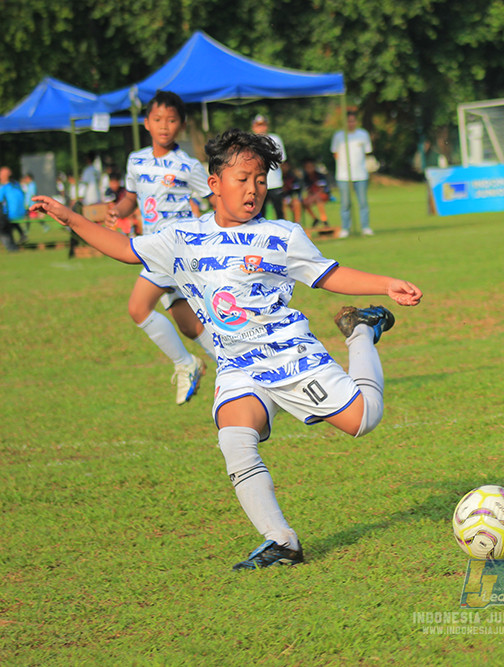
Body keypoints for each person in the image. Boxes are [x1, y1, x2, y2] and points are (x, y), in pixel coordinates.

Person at [31, 128, 423, 570]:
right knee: (234, 438)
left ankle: (360, 331)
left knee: (363, 420)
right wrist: (70, 218)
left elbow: (328, 274)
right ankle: (281, 541)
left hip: (289, 356)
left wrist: (386, 285)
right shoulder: (182, 237)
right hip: (238, 365)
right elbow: (124, 249)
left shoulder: (281, 235)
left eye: (260, 180)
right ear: (215, 184)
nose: (253, 189)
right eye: (243, 179)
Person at [105, 90, 215, 405]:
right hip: (152, 246)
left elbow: (214, 199)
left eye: (171, 120)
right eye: (157, 119)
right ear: (146, 123)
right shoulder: (135, 160)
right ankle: (235, 367)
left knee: (138, 308)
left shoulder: (189, 166)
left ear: (181, 125)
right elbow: (129, 198)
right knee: (189, 324)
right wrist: (118, 210)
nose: (164, 126)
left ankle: (186, 364)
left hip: (175, 249)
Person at [331, 110, 374, 237]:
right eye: (348, 121)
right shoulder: (339, 136)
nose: (351, 123)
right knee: (345, 203)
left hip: (360, 174)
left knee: (363, 202)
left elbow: (367, 152)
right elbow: (335, 153)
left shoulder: (363, 134)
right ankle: (345, 228)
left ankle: (365, 227)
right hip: (343, 175)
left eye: (353, 121)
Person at [251, 114, 287, 220]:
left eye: (263, 125)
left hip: (275, 182)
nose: (261, 128)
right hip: (258, 183)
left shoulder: (275, 139)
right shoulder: (250, 141)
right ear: (253, 127)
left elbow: (281, 160)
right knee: (260, 213)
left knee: (279, 211)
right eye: (258, 125)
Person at [0, 166, 27, 250]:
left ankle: (12, 248)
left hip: (10, 215)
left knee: (2, 227)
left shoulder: (4, 188)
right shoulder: (17, 185)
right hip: (22, 213)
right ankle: (22, 235)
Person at [301, 159, 331, 227]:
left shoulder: (320, 176)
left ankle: (324, 220)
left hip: (323, 195)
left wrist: (313, 198)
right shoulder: (306, 178)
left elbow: (322, 190)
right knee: (304, 202)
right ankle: (315, 219)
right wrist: (309, 198)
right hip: (313, 196)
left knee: (318, 199)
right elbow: (308, 190)